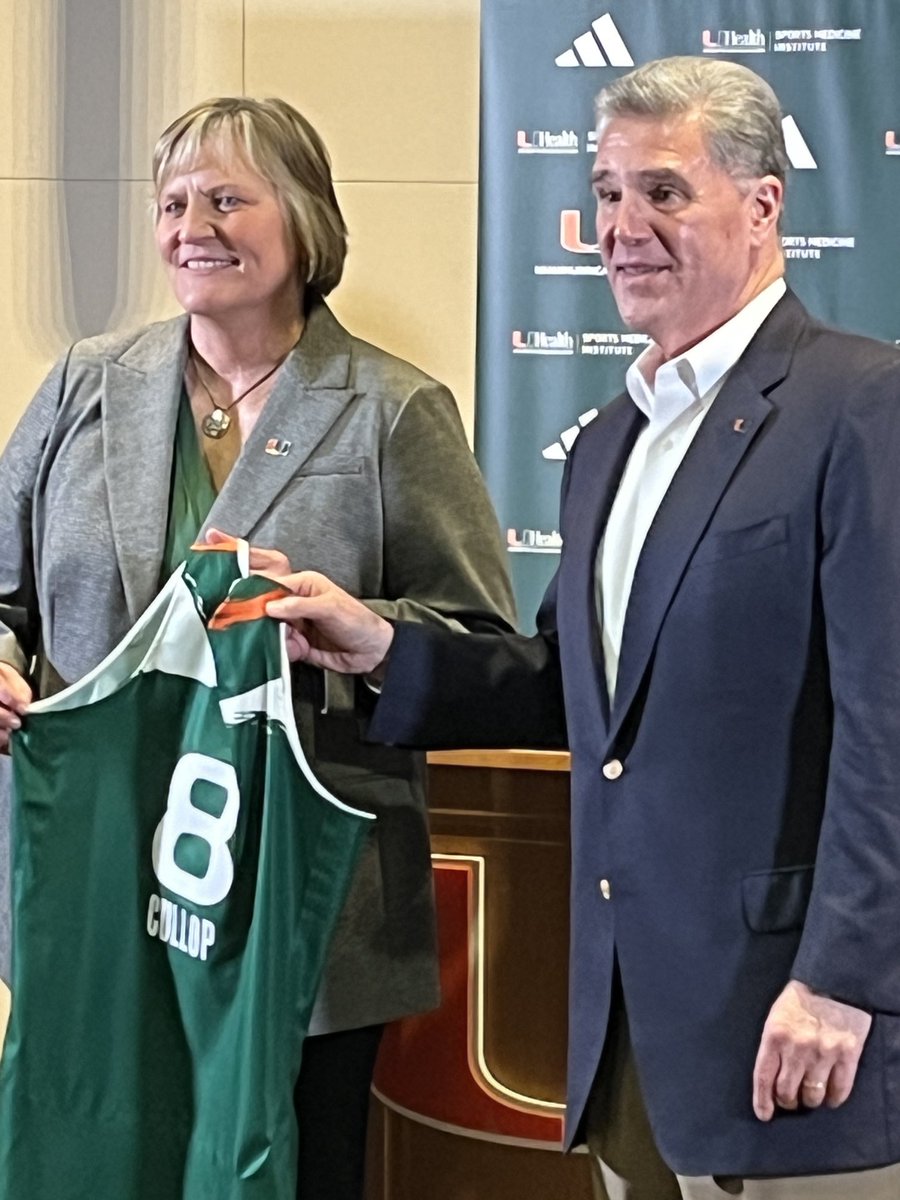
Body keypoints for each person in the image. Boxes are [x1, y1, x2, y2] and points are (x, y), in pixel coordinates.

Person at [263, 58, 900, 1200]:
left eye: (663, 192)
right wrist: (384, 649)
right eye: (607, 194)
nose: (621, 227)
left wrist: (845, 980)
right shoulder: (611, 439)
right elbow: (578, 689)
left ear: (764, 206)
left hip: (798, 1038)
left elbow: (889, 725)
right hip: (630, 1041)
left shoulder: (862, 405)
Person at [0, 96, 516, 1198]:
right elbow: (3, 595)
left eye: (229, 197)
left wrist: (369, 639)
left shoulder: (392, 409)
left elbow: (479, 649)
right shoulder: (83, 386)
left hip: (303, 921)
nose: (196, 222)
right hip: (100, 890)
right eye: (175, 201)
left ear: (305, 224)